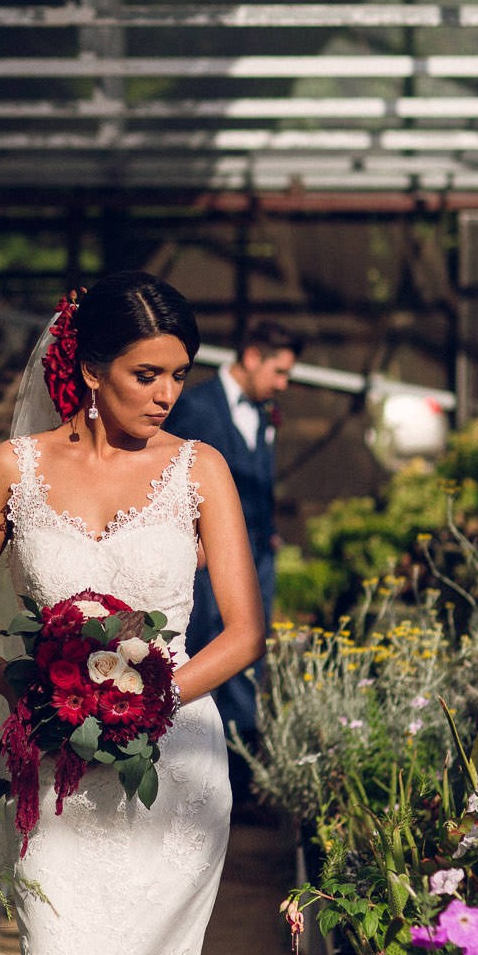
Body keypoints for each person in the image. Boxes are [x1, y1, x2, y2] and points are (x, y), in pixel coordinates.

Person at [0, 271, 265, 955]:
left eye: (178, 375)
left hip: (175, 768)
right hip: (54, 762)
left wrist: (153, 699)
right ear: (89, 370)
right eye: (145, 374)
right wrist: (19, 681)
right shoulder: (12, 467)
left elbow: (242, 634)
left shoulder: (201, 470)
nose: (166, 394)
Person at [163, 320, 298, 804]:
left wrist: (269, 530)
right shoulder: (195, 406)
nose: (283, 384)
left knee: (250, 657)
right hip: (208, 560)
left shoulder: (264, 411)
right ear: (252, 356)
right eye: (279, 372)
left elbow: (259, 478)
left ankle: (239, 783)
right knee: (209, 652)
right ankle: (205, 778)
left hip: (259, 555)